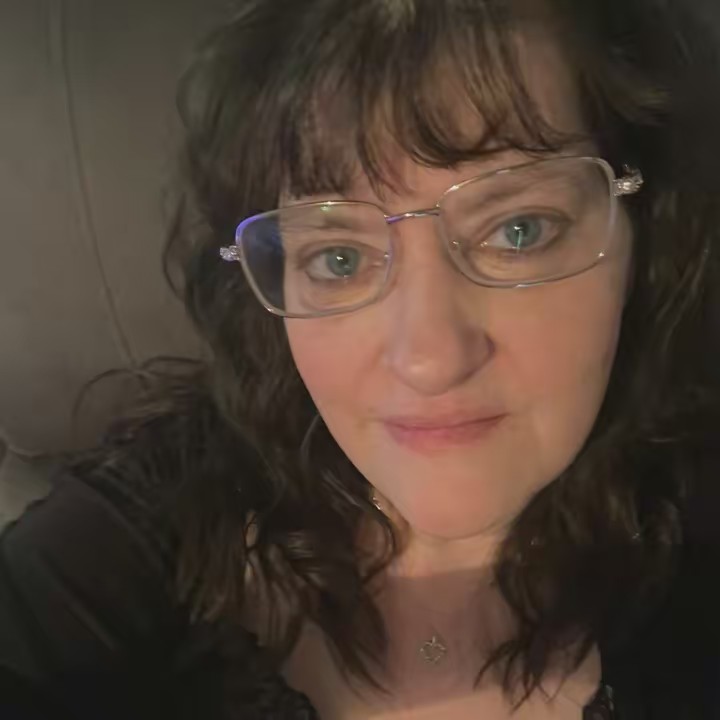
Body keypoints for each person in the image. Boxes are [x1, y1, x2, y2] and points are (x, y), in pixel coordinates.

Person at [2, 0, 720, 717]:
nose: (430, 360)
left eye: (520, 230)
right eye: (338, 257)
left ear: (645, 231)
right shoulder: (162, 515)